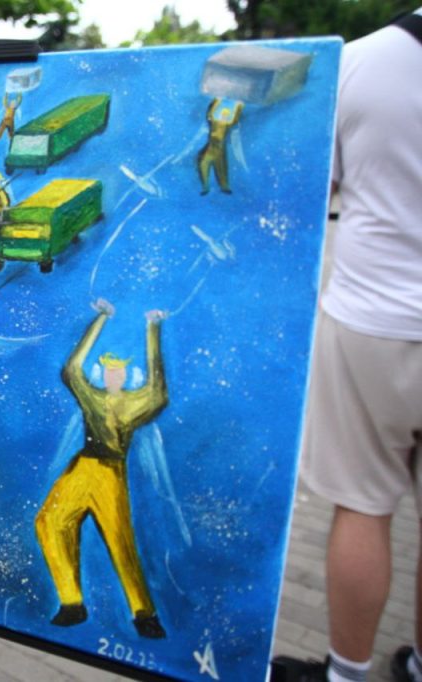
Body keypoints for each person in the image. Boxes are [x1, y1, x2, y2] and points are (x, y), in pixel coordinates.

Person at [271, 10, 422, 682]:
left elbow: (315, 191)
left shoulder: (361, 62)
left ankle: (347, 674)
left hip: (372, 318)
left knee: (363, 505)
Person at [34, 299, 168, 640]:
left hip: (110, 471)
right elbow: (71, 369)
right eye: (108, 370)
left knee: (119, 540)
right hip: (83, 465)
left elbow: (158, 392)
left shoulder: (134, 402)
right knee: (50, 521)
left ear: (125, 375)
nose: (113, 375)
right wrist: (100, 319)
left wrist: (153, 329)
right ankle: (71, 602)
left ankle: (143, 613)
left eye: (118, 371)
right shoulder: (92, 396)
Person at [196, 97, 243, 195]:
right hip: (213, 144)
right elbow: (210, 115)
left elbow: (234, 119)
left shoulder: (227, 123)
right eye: (223, 114)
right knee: (207, 163)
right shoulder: (215, 120)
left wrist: (239, 106)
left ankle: (222, 186)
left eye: (225, 115)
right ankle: (209, 186)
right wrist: (217, 101)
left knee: (217, 165)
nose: (223, 116)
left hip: (219, 145)